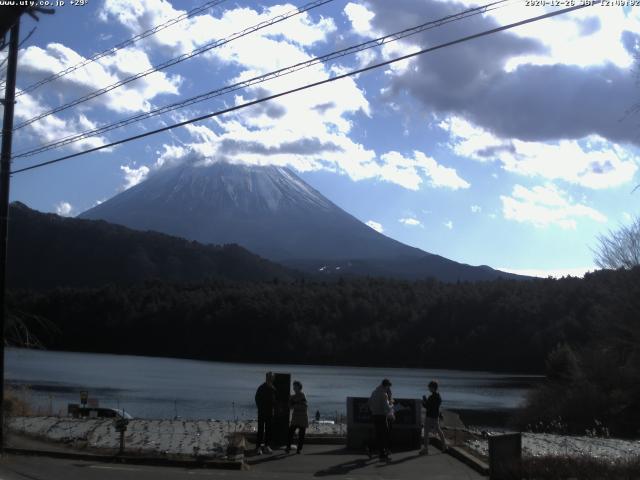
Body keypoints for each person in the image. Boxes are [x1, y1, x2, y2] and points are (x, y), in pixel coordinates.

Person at [368, 378, 393, 460]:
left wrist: (373, 410)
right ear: (386, 386)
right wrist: (392, 404)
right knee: (384, 434)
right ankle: (382, 453)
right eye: (389, 387)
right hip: (382, 416)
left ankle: (371, 449)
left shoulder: (374, 392)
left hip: (374, 415)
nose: (389, 388)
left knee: (377, 434)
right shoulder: (384, 394)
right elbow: (387, 408)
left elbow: (370, 403)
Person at [421, 380, 447, 454]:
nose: (429, 388)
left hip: (429, 416)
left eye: (429, 387)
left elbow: (427, 406)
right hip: (435, 416)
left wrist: (424, 401)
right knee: (439, 430)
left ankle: (426, 449)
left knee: (426, 432)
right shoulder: (438, 396)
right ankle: (444, 446)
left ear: (433, 388)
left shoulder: (431, 397)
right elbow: (435, 406)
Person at [254, 371, 276, 454]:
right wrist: (260, 407)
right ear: (266, 377)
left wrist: (274, 408)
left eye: (272, 377)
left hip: (270, 412)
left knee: (268, 430)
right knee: (260, 429)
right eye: (269, 377)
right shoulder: (261, 387)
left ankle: (267, 446)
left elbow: (274, 401)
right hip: (262, 412)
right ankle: (258, 447)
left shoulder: (273, 388)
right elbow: (257, 398)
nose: (271, 379)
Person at [286, 380, 309, 454]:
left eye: (295, 386)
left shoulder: (302, 395)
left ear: (299, 387)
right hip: (295, 417)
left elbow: (304, 406)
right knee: (290, 432)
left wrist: (294, 404)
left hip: (302, 417)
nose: (294, 388)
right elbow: (290, 407)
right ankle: (288, 447)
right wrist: (292, 402)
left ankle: (299, 449)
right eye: (293, 386)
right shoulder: (292, 397)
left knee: (301, 434)